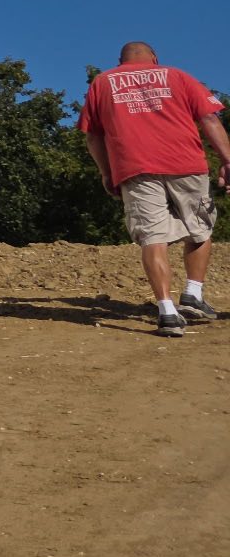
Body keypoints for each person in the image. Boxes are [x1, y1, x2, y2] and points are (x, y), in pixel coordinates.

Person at [79, 42, 230, 337]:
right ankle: (193, 293)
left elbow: (93, 137)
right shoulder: (177, 76)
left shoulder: (102, 82)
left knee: (153, 238)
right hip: (186, 164)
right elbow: (210, 118)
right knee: (199, 229)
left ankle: (168, 313)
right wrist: (227, 160)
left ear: (119, 61)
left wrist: (106, 172)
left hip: (135, 169)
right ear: (155, 59)